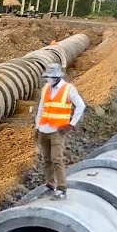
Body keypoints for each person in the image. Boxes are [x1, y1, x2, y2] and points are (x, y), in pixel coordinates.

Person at [35, 63, 87, 200]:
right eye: (48, 77)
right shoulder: (46, 88)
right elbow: (41, 108)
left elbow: (81, 106)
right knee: (46, 159)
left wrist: (71, 124)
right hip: (44, 129)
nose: (49, 80)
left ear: (57, 77)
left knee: (57, 159)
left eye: (51, 77)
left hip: (57, 131)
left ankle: (62, 188)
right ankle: (50, 184)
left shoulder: (68, 89)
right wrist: (37, 127)